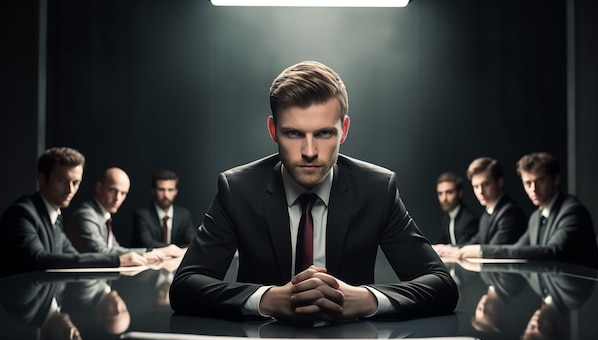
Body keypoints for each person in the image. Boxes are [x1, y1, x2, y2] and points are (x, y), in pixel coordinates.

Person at [169, 60, 458, 322]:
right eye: (293, 133)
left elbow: (441, 284)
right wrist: (266, 299)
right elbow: (185, 285)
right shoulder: (238, 189)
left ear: (343, 130)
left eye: (324, 133)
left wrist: (366, 299)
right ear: (273, 130)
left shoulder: (377, 189)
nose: (309, 152)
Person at [0, 147, 147, 280]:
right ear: (42, 178)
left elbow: (73, 256)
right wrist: (116, 260)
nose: (70, 189)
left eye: (76, 182)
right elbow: (39, 259)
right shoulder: (22, 214)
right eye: (61, 180)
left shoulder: (54, 215)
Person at [458, 152, 598, 268]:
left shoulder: (572, 211)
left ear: (556, 179)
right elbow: (517, 249)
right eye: (528, 183)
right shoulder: (535, 217)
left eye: (540, 181)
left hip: (581, 299)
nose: (533, 189)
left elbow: (553, 251)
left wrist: (482, 251)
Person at [66, 167, 185, 261]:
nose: (117, 198)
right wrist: (149, 253)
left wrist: (150, 253)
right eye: (113, 190)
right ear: (99, 187)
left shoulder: (103, 215)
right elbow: (102, 252)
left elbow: (114, 249)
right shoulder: (86, 215)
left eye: (123, 193)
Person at [434, 157, 527, 258]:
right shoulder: (488, 214)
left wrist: (454, 251)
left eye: (485, 184)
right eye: (476, 186)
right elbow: (475, 243)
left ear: (499, 182)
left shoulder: (510, 213)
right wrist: (448, 249)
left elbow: (493, 250)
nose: (480, 191)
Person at [131, 169, 196, 249]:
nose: (166, 195)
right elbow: (146, 243)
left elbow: (193, 241)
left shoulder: (184, 215)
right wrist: (173, 249)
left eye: (170, 190)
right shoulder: (141, 215)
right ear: (153, 191)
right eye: (161, 190)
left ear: (175, 191)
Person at [432, 171, 479, 246]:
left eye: (449, 192)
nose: (444, 198)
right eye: (440, 193)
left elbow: (464, 247)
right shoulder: (446, 219)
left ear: (459, 193)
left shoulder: (469, 219)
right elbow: (439, 242)